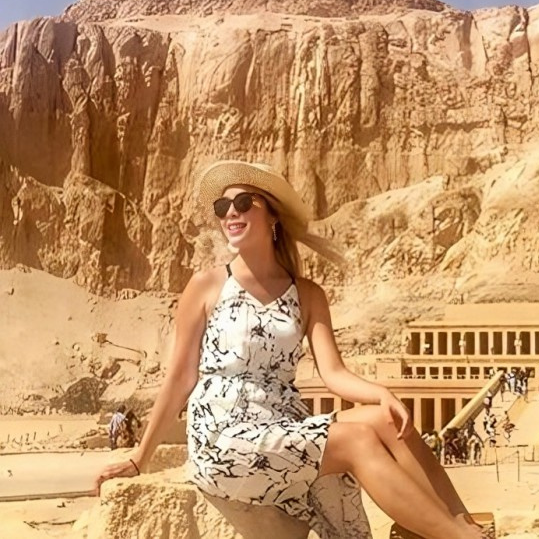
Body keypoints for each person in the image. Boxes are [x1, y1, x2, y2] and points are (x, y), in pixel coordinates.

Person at [93, 161, 485, 539]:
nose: (231, 213)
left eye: (243, 202)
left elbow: (334, 374)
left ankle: (466, 525)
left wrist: (381, 393)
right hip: (225, 438)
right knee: (357, 440)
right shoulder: (207, 285)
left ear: (273, 217)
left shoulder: (308, 294)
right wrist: (139, 457)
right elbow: (180, 377)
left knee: (385, 419)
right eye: (222, 206)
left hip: (281, 424)